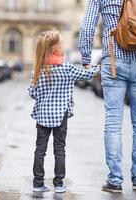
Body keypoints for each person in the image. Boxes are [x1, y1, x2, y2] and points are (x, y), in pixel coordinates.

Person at [79, 0, 136, 193]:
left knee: (113, 122)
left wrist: (86, 57)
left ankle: (114, 180)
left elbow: (88, 24)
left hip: (114, 61)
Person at [28, 31, 100, 193]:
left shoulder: (39, 69)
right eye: (61, 44)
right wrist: (98, 67)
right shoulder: (67, 68)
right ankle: (59, 184)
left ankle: (38, 183)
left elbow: (32, 92)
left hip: (42, 116)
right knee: (59, 148)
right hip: (61, 116)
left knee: (40, 149)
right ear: (55, 49)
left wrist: (46, 96)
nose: (64, 46)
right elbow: (87, 74)